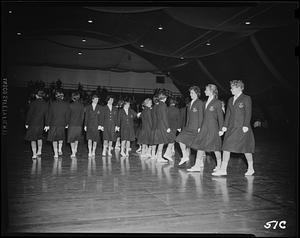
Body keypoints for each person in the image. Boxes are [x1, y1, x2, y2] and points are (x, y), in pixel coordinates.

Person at [212, 80, 255, 176]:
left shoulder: (246, 98)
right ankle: (223, 169)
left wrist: (245, 125)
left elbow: (248, 113)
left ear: (239, 88)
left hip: (242, 128)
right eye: (231, 87)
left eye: (233, 88)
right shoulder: (230, 100)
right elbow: (228, 114)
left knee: (246, 149)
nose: (231, 89)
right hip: (231, 128)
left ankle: (251, 168)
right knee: (226, 147)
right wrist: (224, 126)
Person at [189, 84, 224, 172]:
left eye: (206, 90)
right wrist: (200, 127)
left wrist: (221, 129)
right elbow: (202, 116)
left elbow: (220, 117)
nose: (204, 91)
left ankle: (219, 166)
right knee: (200, 146)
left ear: (211, 91)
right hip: (204, 127)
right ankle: (197, 165)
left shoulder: (217, 102)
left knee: (215, 148)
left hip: (213, 128)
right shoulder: (204, 103)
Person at [176, 86, 204, 165]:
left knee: (197, 145)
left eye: (192, 93)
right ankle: (185, 156)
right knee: (179, 139)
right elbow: (188, 117)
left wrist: (200, 127)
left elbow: (201, 116)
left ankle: (200, 161)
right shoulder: (190, 103)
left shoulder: (200, 103)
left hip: (196, 128)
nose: (190, 94)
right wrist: (186, 126)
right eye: (190, 93)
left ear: (196, 93)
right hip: (188, 127)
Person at [45, 89, 70, 158]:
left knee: (54, 139)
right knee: (60, 138)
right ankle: (60, 149)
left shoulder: (52, 104)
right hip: (62, 123)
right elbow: (67, 115)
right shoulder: (66, 104)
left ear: (56, 96)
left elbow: (49, 115)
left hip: (53, 123)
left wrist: (47, 124)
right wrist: (67, 123)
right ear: (62, 96)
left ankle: (56, 153)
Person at [24, 89, 48, 159]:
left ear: (36, 95)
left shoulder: (33, 103)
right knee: (39, 138)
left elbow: (29, 114)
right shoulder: (45, 104)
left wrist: (27, 123)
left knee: (33, 139)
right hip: (41, 123)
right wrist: (46, 124)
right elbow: (47, 115)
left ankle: (34, 154)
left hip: (33, 123)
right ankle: (39, 151)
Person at [153, 89, 172, 163]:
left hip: (158, 125)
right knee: (162, 141)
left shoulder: (157, 105)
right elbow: (164, 117)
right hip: (163, 126)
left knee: (160, 141)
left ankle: (159, 156)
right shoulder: (163, 105)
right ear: (165, 98)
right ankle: (159, 157)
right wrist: (167, 127)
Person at [67, 91, 84, 158]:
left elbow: (68, 116)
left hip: (72, 124)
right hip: (79, 125)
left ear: (72, 97)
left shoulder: (70, 105)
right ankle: (76, 149)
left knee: (72, 139)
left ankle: (73, 152)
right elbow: (82, 116)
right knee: (77, 138)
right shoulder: (81, 105)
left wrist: (67, 123)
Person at [163, 96, 181, 161]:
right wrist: (179, 127)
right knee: (172, 141)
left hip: (167, 127)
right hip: (174, 127)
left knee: (167, 140)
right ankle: (167, 153)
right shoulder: (177, 110)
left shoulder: (166, 109)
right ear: (175, 103)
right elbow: (178, 119)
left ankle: (167, 153)